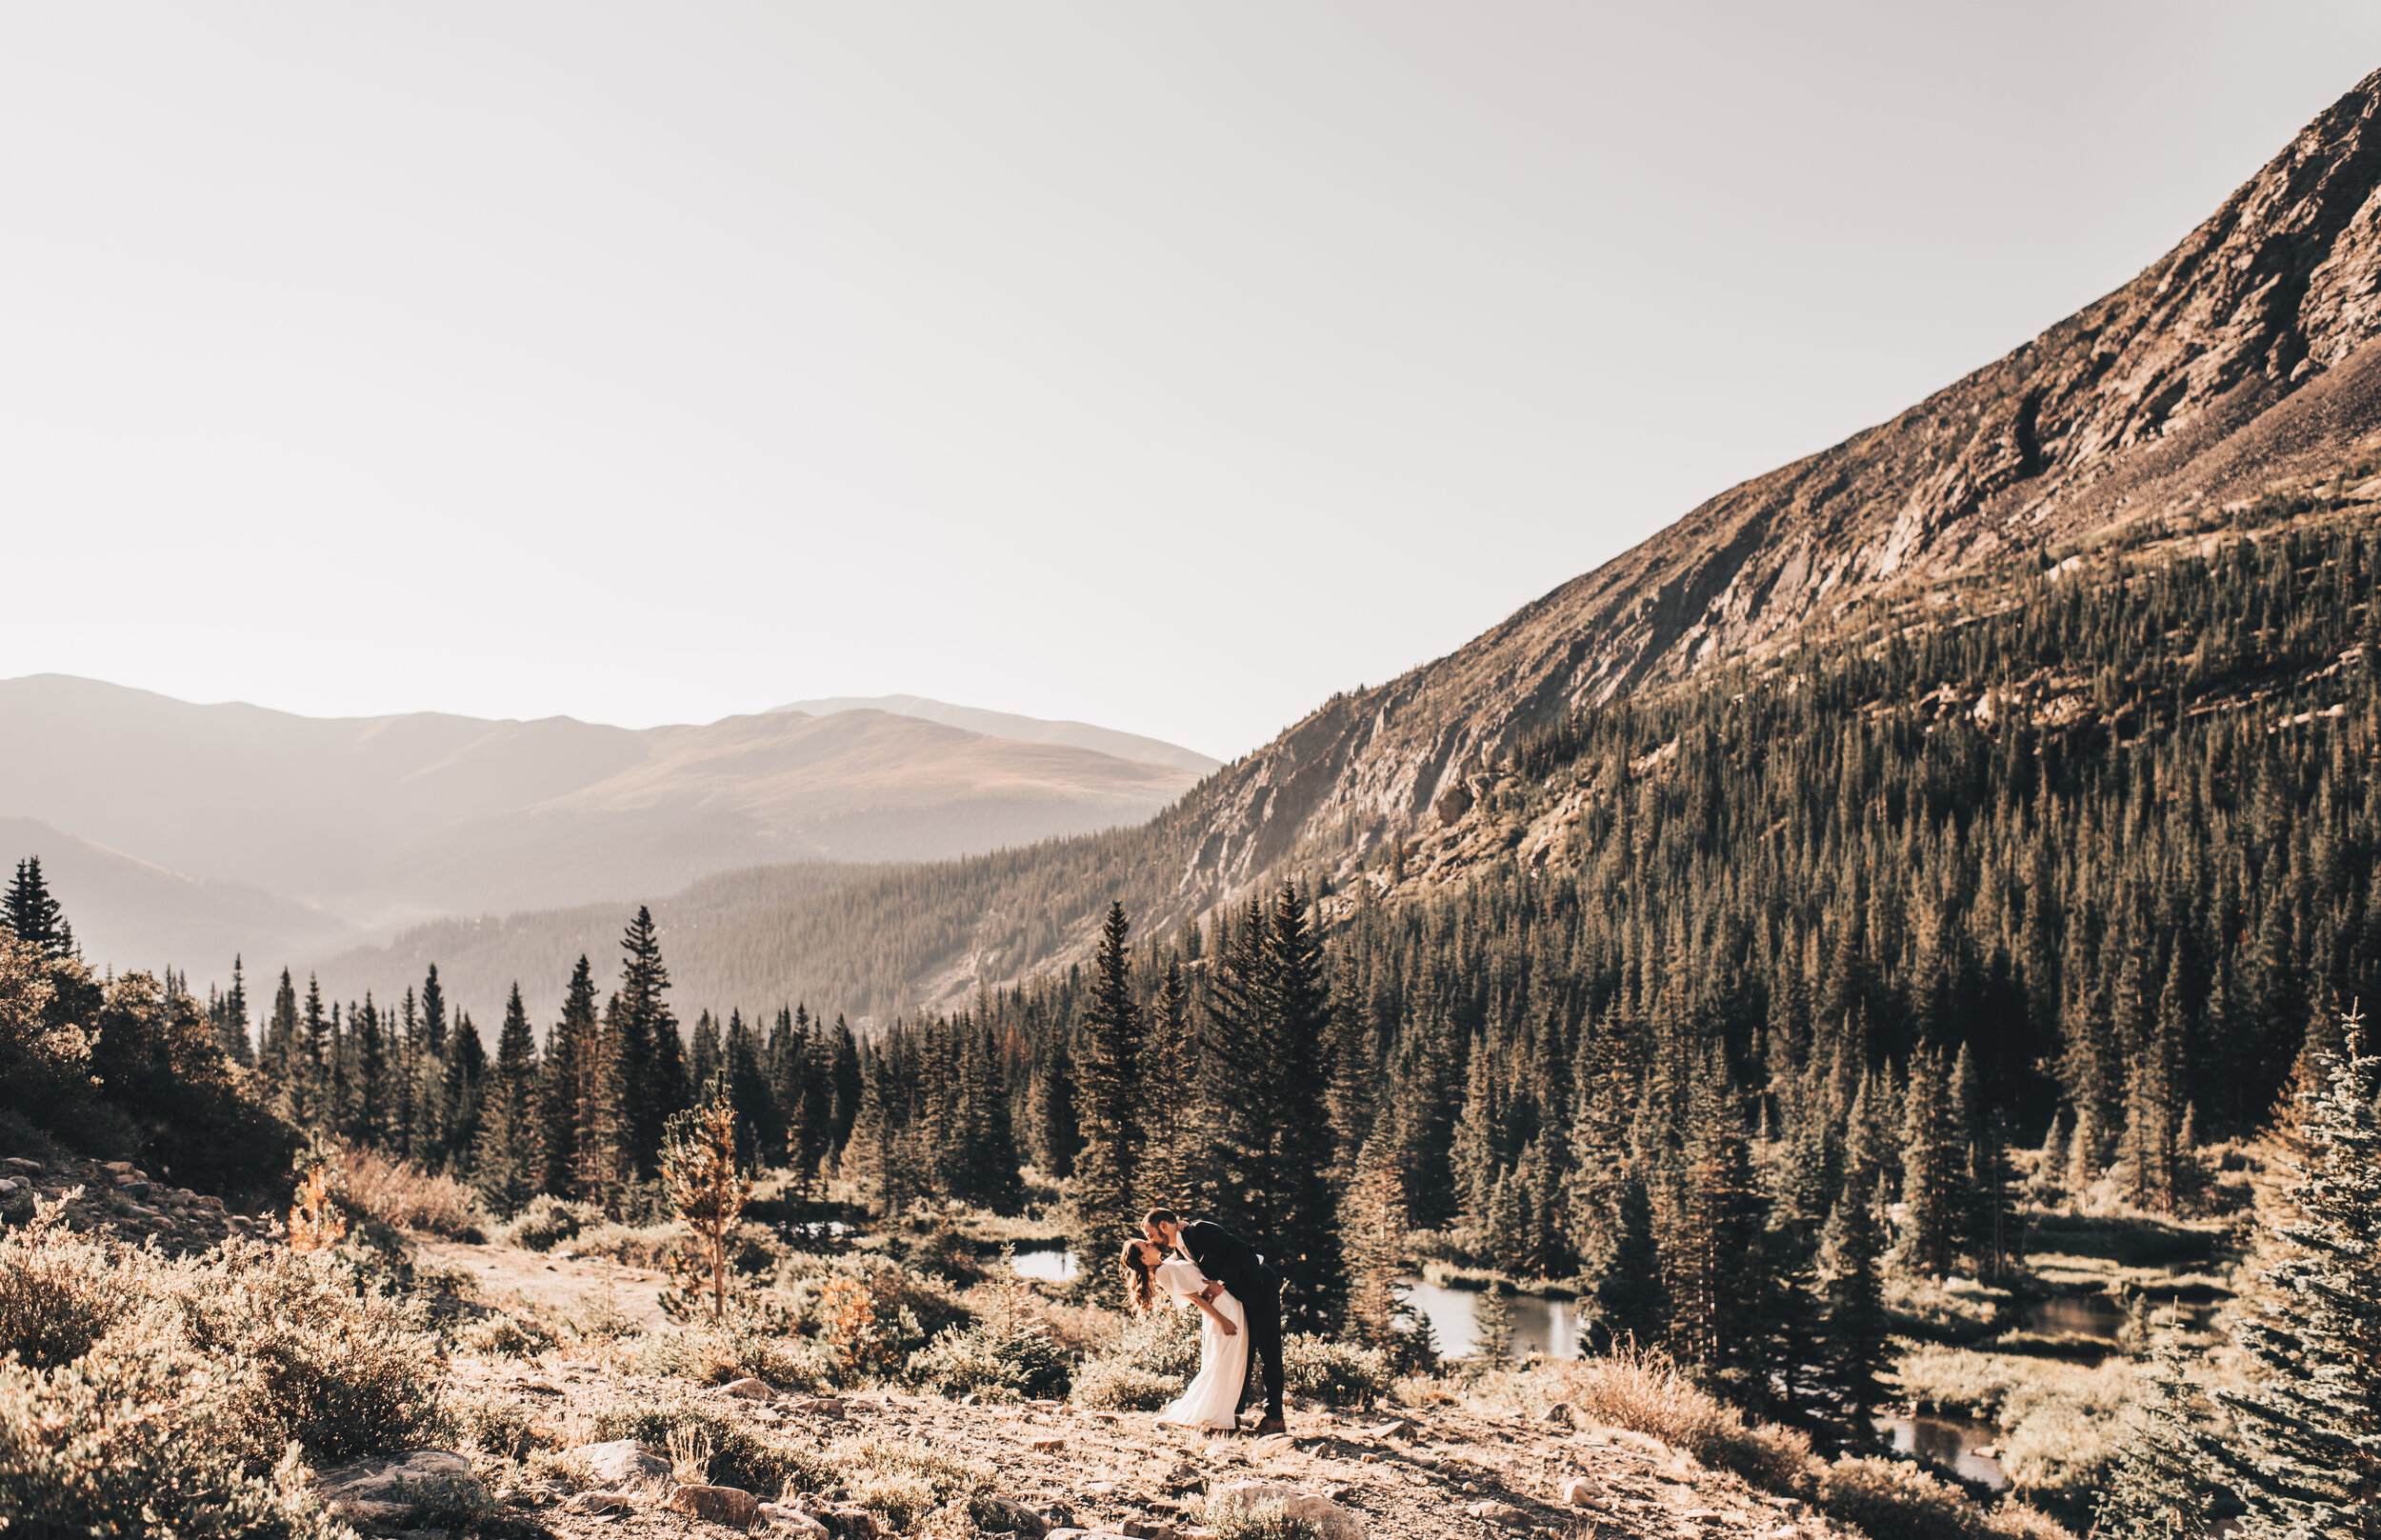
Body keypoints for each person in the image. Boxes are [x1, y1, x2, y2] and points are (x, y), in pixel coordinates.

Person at [1143, 1208, 1285, 1435]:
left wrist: (1221, 1282)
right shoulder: (1181, 1247)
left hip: (1259, 1283)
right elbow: (1175, 1266)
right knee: (1244, 1352)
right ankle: (1232, 1415)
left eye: (1150, 1235)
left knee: (1269, 1349)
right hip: (1239, 1296)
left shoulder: (1199, 1230)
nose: (1150, 1240)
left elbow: (1240, 1249)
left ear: (1163, 1227)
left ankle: (1275, 1417)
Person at [1118, 1238, 1246, 1430]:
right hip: (1220, 1310)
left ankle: (1224, 1411)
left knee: (1229, 1359)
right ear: (1144, 1258)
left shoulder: (1166, 1264)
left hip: (1225, 1304)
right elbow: (1195, 1299)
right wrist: (1223, 1321)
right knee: (1221, 1362)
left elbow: (1179, 1243)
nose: (1151, 1243)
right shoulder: (1163, 1272)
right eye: (1146, 1244)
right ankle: (1215, 1414)